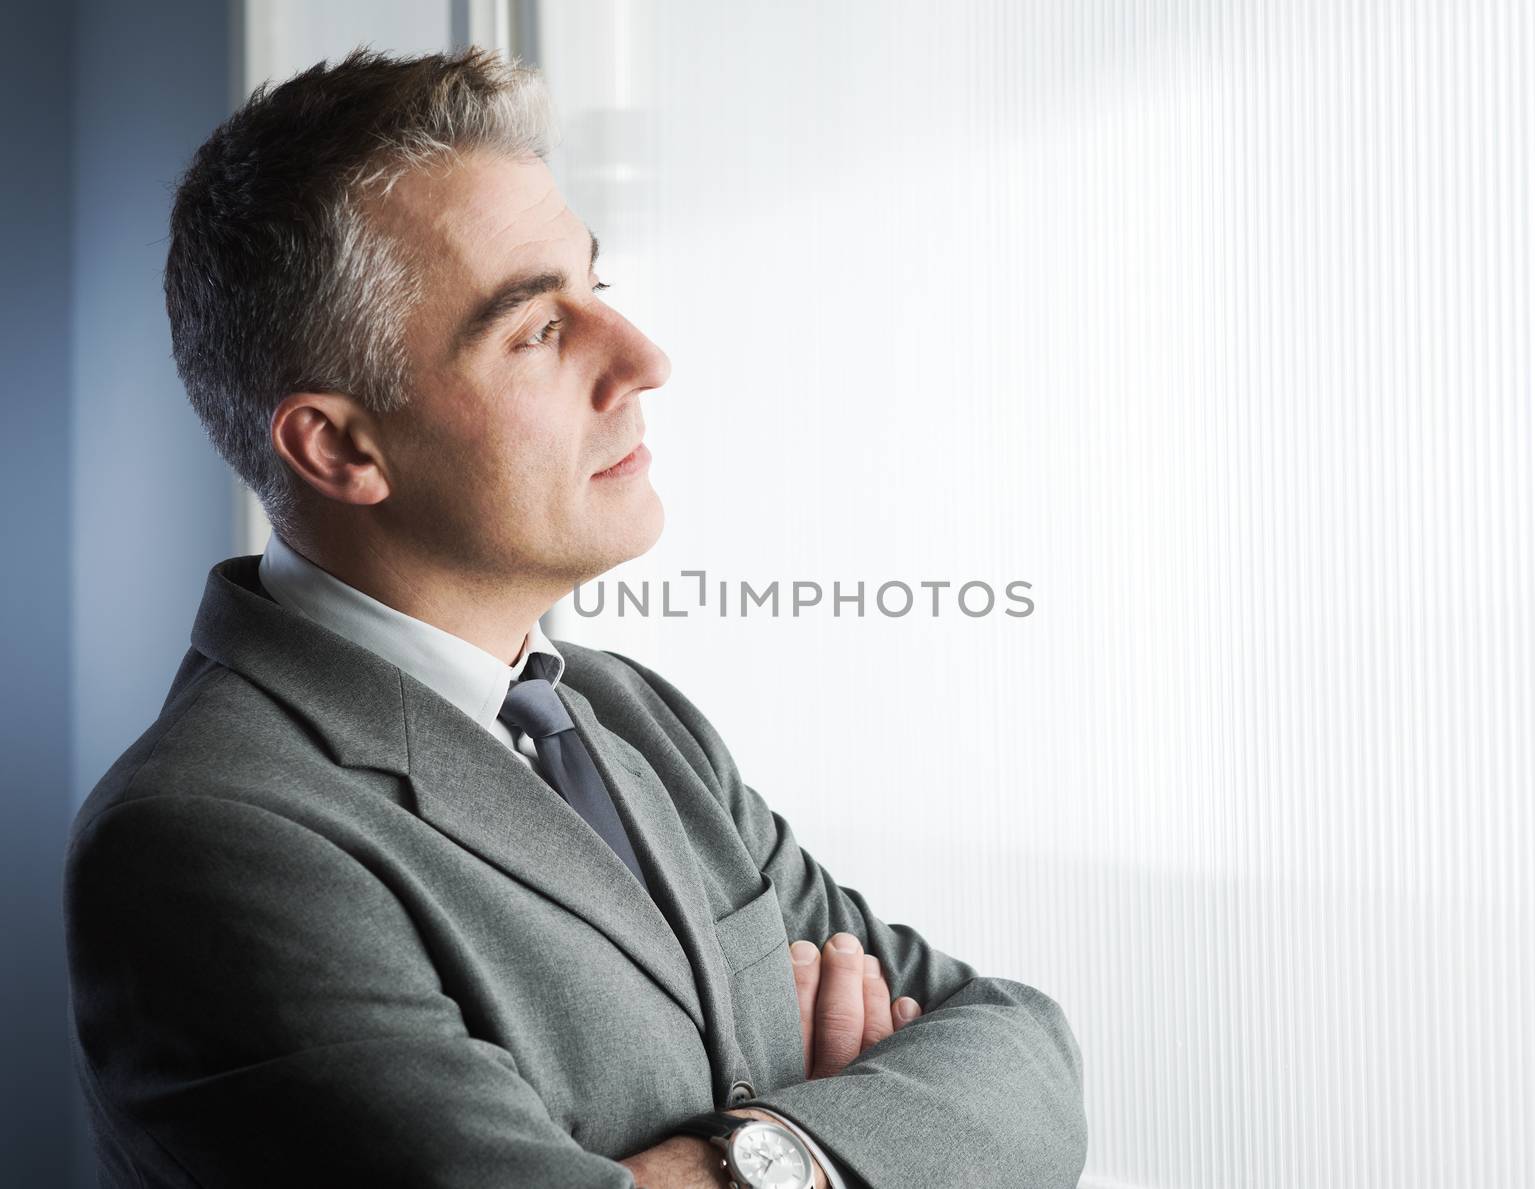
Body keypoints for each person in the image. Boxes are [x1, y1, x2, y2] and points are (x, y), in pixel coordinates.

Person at [62, 47, 1087, 1188]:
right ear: (342, 446)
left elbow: (1021, 1053)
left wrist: (763, 1153)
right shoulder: (211, 837)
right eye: (536, 329)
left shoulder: (623, 710)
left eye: (593, 289)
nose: (643, 358)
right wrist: (831, 1138)